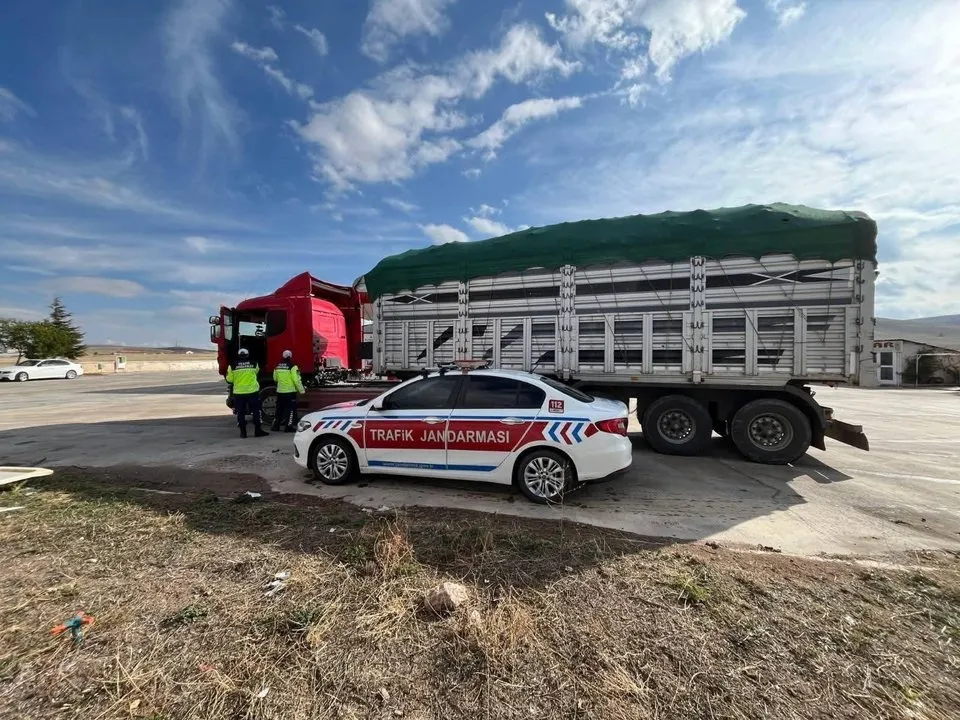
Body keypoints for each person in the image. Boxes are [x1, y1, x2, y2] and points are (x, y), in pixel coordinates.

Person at [226, 348, 268, 438]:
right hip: (253, 392)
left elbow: (229, 379)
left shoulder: (232, 366)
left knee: (240, 413)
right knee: (256, 411)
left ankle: (243, 433)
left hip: (239, 393)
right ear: (248, 355)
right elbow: (256, 372)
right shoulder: (254, 364)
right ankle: (258, 431)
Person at [272, 349, 305, 432]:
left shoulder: (277, 366)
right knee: (290, 409)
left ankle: (275, 426)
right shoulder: (293, 366)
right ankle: (288, 427)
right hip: (290, 392)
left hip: (280, 391)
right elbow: (296, 380)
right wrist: (301, 390)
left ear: (283, 356)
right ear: (291, 356)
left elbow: (275, 378)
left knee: (279, 409)